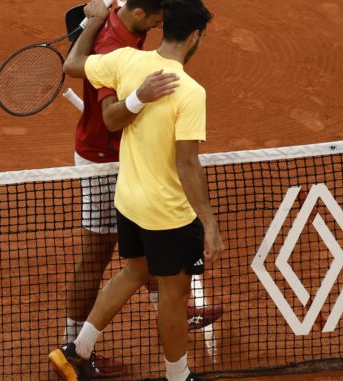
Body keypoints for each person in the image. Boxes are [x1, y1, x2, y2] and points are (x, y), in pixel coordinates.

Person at [50, 0, 222, 380]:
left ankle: (78, 347)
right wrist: (139, 94)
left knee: (137, 267)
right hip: (105, 159)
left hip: (129, 168)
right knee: (97, 255)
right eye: (158, 17)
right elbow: (117, 120)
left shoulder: (128, 49)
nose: (160, 23)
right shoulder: (117, 49)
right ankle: (81, 343)